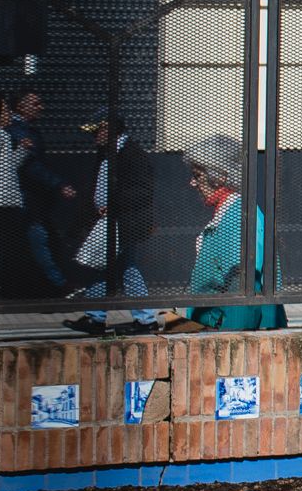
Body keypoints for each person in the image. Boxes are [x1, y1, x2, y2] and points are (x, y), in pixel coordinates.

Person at [58, 109, 158, 333]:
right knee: (101, 267)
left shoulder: (132, 154)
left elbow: (143, 191)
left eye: (98, 131)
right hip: (107, 221)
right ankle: (98, 316)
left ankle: (144, 318)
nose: (94, 137)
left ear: (109, 130)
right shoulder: (106, 153)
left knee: (126, 269)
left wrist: (113, 204)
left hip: (123, 221)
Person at [173, 133, 282, 329]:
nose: (192, 183)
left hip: (230, 335)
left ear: (220, 176)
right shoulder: (229, 212)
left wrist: (231, 338)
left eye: (198, 175)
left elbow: (243, 284)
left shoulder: (239, 216)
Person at [0, 91, 46, 299]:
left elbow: (6, 167)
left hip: (0, 201)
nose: (8, 114)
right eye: (4, 110)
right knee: (2, 248)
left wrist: (20, 151)